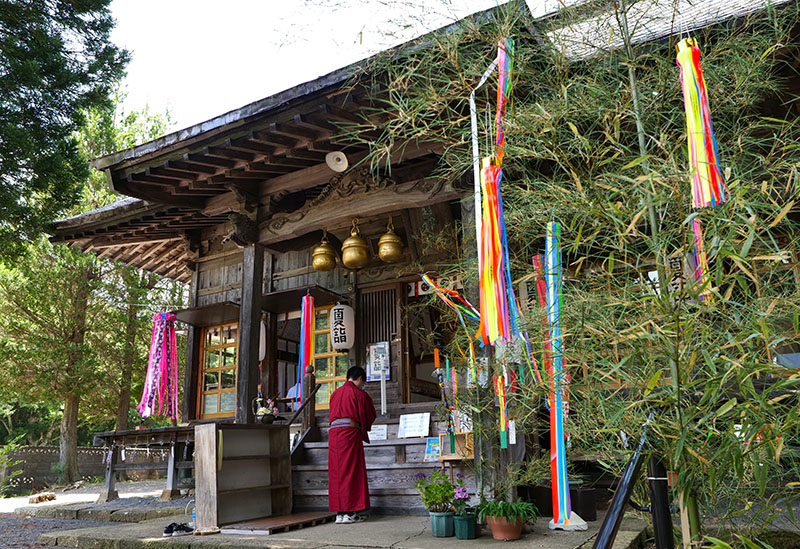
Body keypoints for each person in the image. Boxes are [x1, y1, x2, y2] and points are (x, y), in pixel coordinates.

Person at [328, 366, 376, 524]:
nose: (363, 385)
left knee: (337, 472)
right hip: (349, 432)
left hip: (334, 435)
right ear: (360, 379)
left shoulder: (334, 394)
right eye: (363, 382)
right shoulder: (359, 393)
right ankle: (351, 512)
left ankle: (340, 513)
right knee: (351, 471)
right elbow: (369, 414)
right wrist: (364, 427)